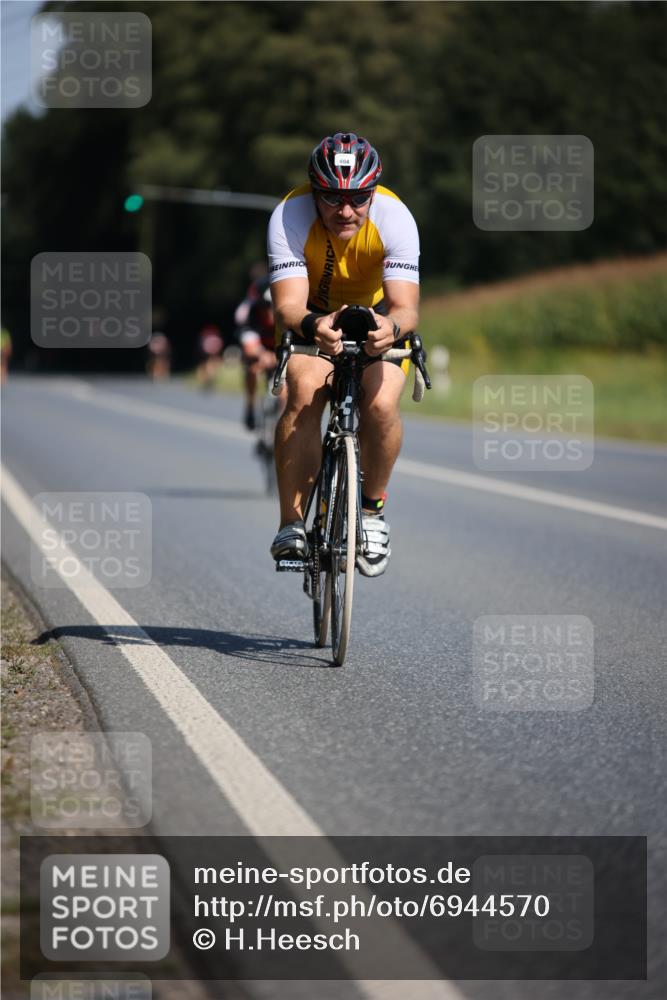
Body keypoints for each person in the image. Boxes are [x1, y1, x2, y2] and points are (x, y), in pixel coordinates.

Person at [267, 132, 420, 577]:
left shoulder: (395, 217)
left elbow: (406, 307)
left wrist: (389, 328)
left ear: (373, 193)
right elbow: (287, 305)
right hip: (313, 317)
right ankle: (291, 524)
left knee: (381, 403)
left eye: (358, 199)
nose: (346, 211)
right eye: (332, 198)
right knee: (303, 394)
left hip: (378, 318)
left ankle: (371, 513)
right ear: (315, 192)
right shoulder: (289, 216)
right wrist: (315, 325)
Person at [236, 276, 277, 429]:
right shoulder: (250, 314)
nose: (270, 312)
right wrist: (262, 355)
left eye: (274, 306)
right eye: (267, 306)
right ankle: (250, 406)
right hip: (259, 348)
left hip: (279, 348)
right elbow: (249, 344)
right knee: (251, 370)